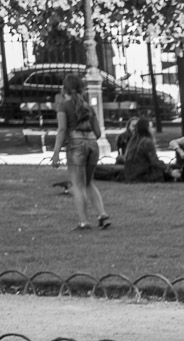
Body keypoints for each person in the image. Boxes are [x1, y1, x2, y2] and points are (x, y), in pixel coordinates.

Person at [53, 72, 108, 230]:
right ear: (82, 90)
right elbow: (98, 133)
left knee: (77, 185)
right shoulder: (89, 108)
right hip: (92, 145)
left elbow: (62, 129)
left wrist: (56, 152)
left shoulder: (63, 106)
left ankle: (84, 222)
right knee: (88, 182)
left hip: (75, 145)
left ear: (64, 90)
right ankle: (102, 214)